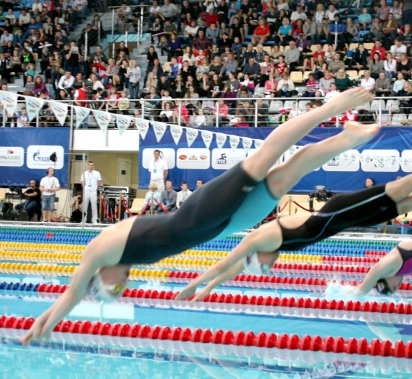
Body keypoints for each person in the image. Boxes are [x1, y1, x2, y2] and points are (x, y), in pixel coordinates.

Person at [22, 87, 377, 344]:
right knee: (286, 176)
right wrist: (46, 321)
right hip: (218, 228)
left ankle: (334, 106)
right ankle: (347, 139)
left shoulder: (99, 251)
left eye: (113, 287)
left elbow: (71, 293)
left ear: (99, 278)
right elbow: (72, 295)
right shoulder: (122, 259)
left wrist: (48, 323)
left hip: (197, 216)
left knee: (266, 155)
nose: (123, 285)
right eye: (121, 291)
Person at [175, 163, 412, 301]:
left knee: (405, 187)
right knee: (408, 202)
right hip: (348, 220)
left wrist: (194, 286)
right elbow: (231, 271)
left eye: (263, 265)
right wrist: (209, 291)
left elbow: (224, 265)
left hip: (340, 211)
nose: (269, 266)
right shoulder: (269, 248)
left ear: (256, 255)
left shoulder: (261, 238)